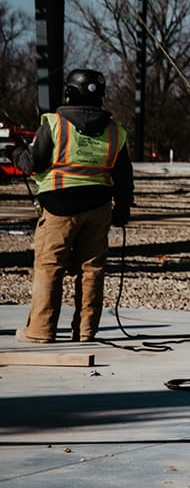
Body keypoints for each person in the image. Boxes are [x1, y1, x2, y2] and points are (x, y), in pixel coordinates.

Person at [17, 68, 132, 344]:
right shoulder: (116, 131)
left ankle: (41, 331)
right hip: (99, 206)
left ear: (69, 92)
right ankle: (85, 332)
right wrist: (123, 209)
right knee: (92, 269)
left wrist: (16, 153)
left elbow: (33, 163)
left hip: (59, 205)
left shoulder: (55, 124)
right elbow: (124, 176)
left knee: (50, 266)